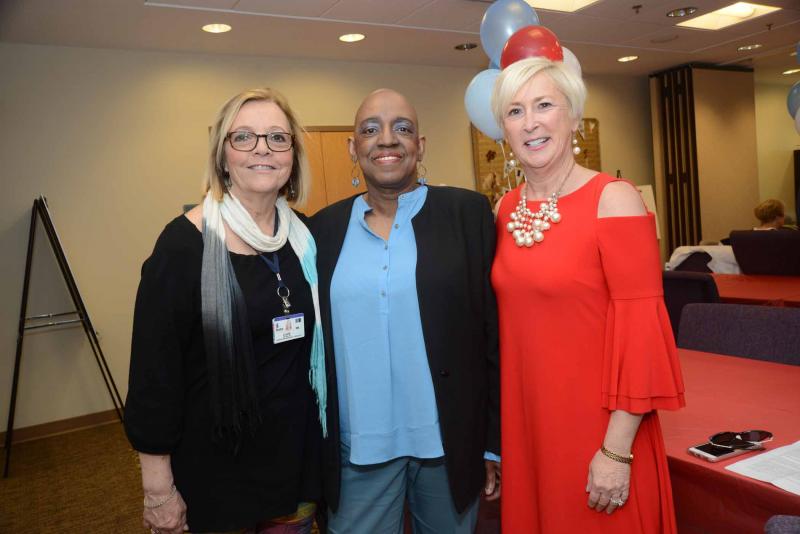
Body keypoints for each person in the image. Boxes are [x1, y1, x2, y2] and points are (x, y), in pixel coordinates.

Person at [490, 57, 685, 533]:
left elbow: (642, 338)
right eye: (515, 112)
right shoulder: (503, 209)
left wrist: (616, 451)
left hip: (599, 432)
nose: (530, 122)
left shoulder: (613, 199)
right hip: (529, 430)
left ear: (573, 117)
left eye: (544, 105)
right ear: (504, 130)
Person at [124, 88, 326, 534]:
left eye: (277, 137)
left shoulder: (307, 241)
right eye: (244, 137)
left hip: (294, 466)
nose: (262, 149)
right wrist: (157, 490)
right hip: (216, 476)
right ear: (222, 155)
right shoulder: (182, 247)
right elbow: (154, 378)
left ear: (292, 155)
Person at [309, 89, 500, 533]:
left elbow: (493, 335)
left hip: (448, 444)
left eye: (403, 128)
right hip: (357, 452)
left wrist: (491, 446)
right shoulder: (322, 230)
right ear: (352, 147)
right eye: (370, 129)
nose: (387, 139)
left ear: (421, 145)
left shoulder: (467, 215)